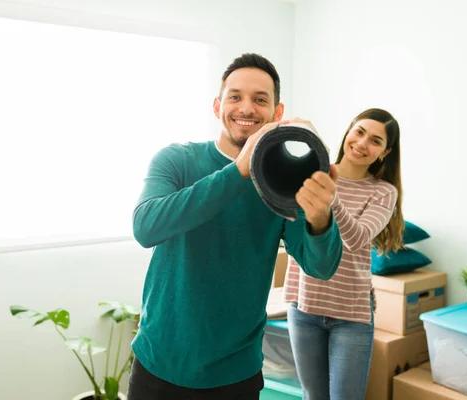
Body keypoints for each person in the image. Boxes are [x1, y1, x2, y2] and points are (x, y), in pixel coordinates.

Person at [128, 53, 343, 400]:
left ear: (277, 114)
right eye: (235, 96)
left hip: (235, 376)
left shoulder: (282, 179)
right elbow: (146, 227)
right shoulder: (177, 159)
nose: (247, 108)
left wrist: (320, 217)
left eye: (260, 100)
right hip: (159, 364)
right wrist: (238, 171)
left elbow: (321, 267)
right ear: (217, 106)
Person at [283, 108, 405, 400]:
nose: (363, 144)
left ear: (385, 153)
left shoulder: (383, 192)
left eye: (375, 141)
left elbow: (357, 238)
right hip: (305, 306)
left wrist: (329, 192)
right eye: (360, 132)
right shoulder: (309, 175)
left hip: (351, 315)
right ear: (349, 131)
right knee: (313, 396)